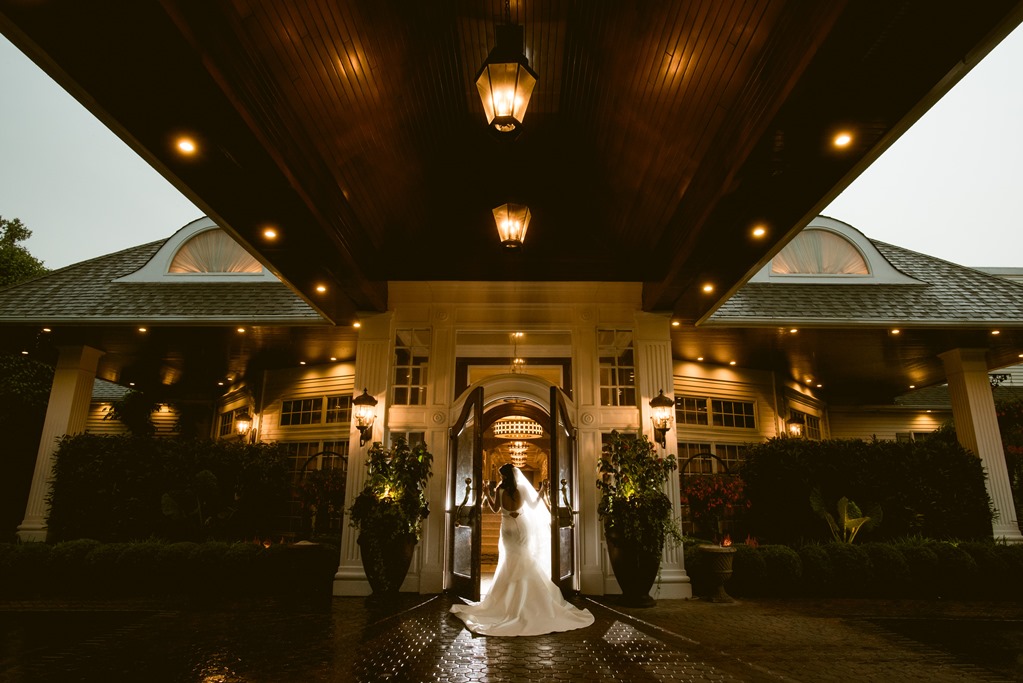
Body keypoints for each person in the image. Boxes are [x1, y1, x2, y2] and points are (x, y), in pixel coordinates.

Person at [449, 463, 594, 636]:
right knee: (524, 558)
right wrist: (542, 492)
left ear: (503, 476)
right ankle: (529, 599)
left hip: (508, 528)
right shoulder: (522, 489)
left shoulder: (499, 490)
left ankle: (508, 601)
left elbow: (495, 510)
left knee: (510, 559)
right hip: (522, 528)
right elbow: (533, 506)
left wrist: (487, 493)